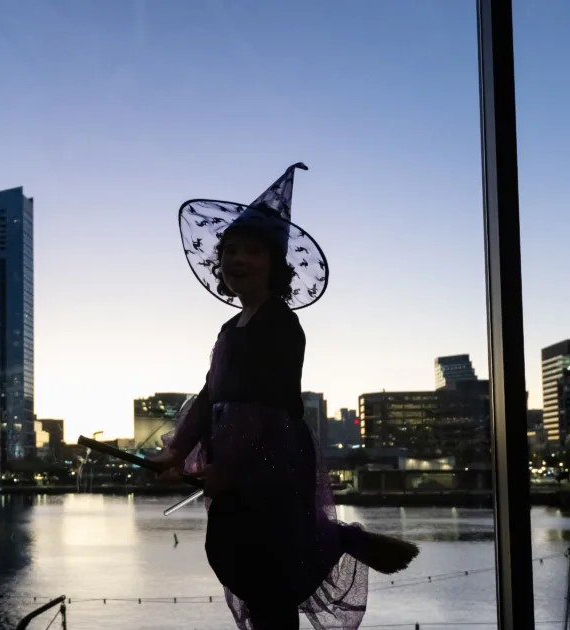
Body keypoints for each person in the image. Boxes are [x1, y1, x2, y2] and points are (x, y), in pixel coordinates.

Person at [150, 164, 418, 630]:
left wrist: (228, 467)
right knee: (244, 562)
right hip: (239, 462)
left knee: (266, 573)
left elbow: (265, 407)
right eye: (229, 250)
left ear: (275, 263)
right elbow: (210, 393)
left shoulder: (280, 323)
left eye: (252, 251)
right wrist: (177, 450)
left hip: (268, 463)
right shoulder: (230, 327)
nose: (237, 259)